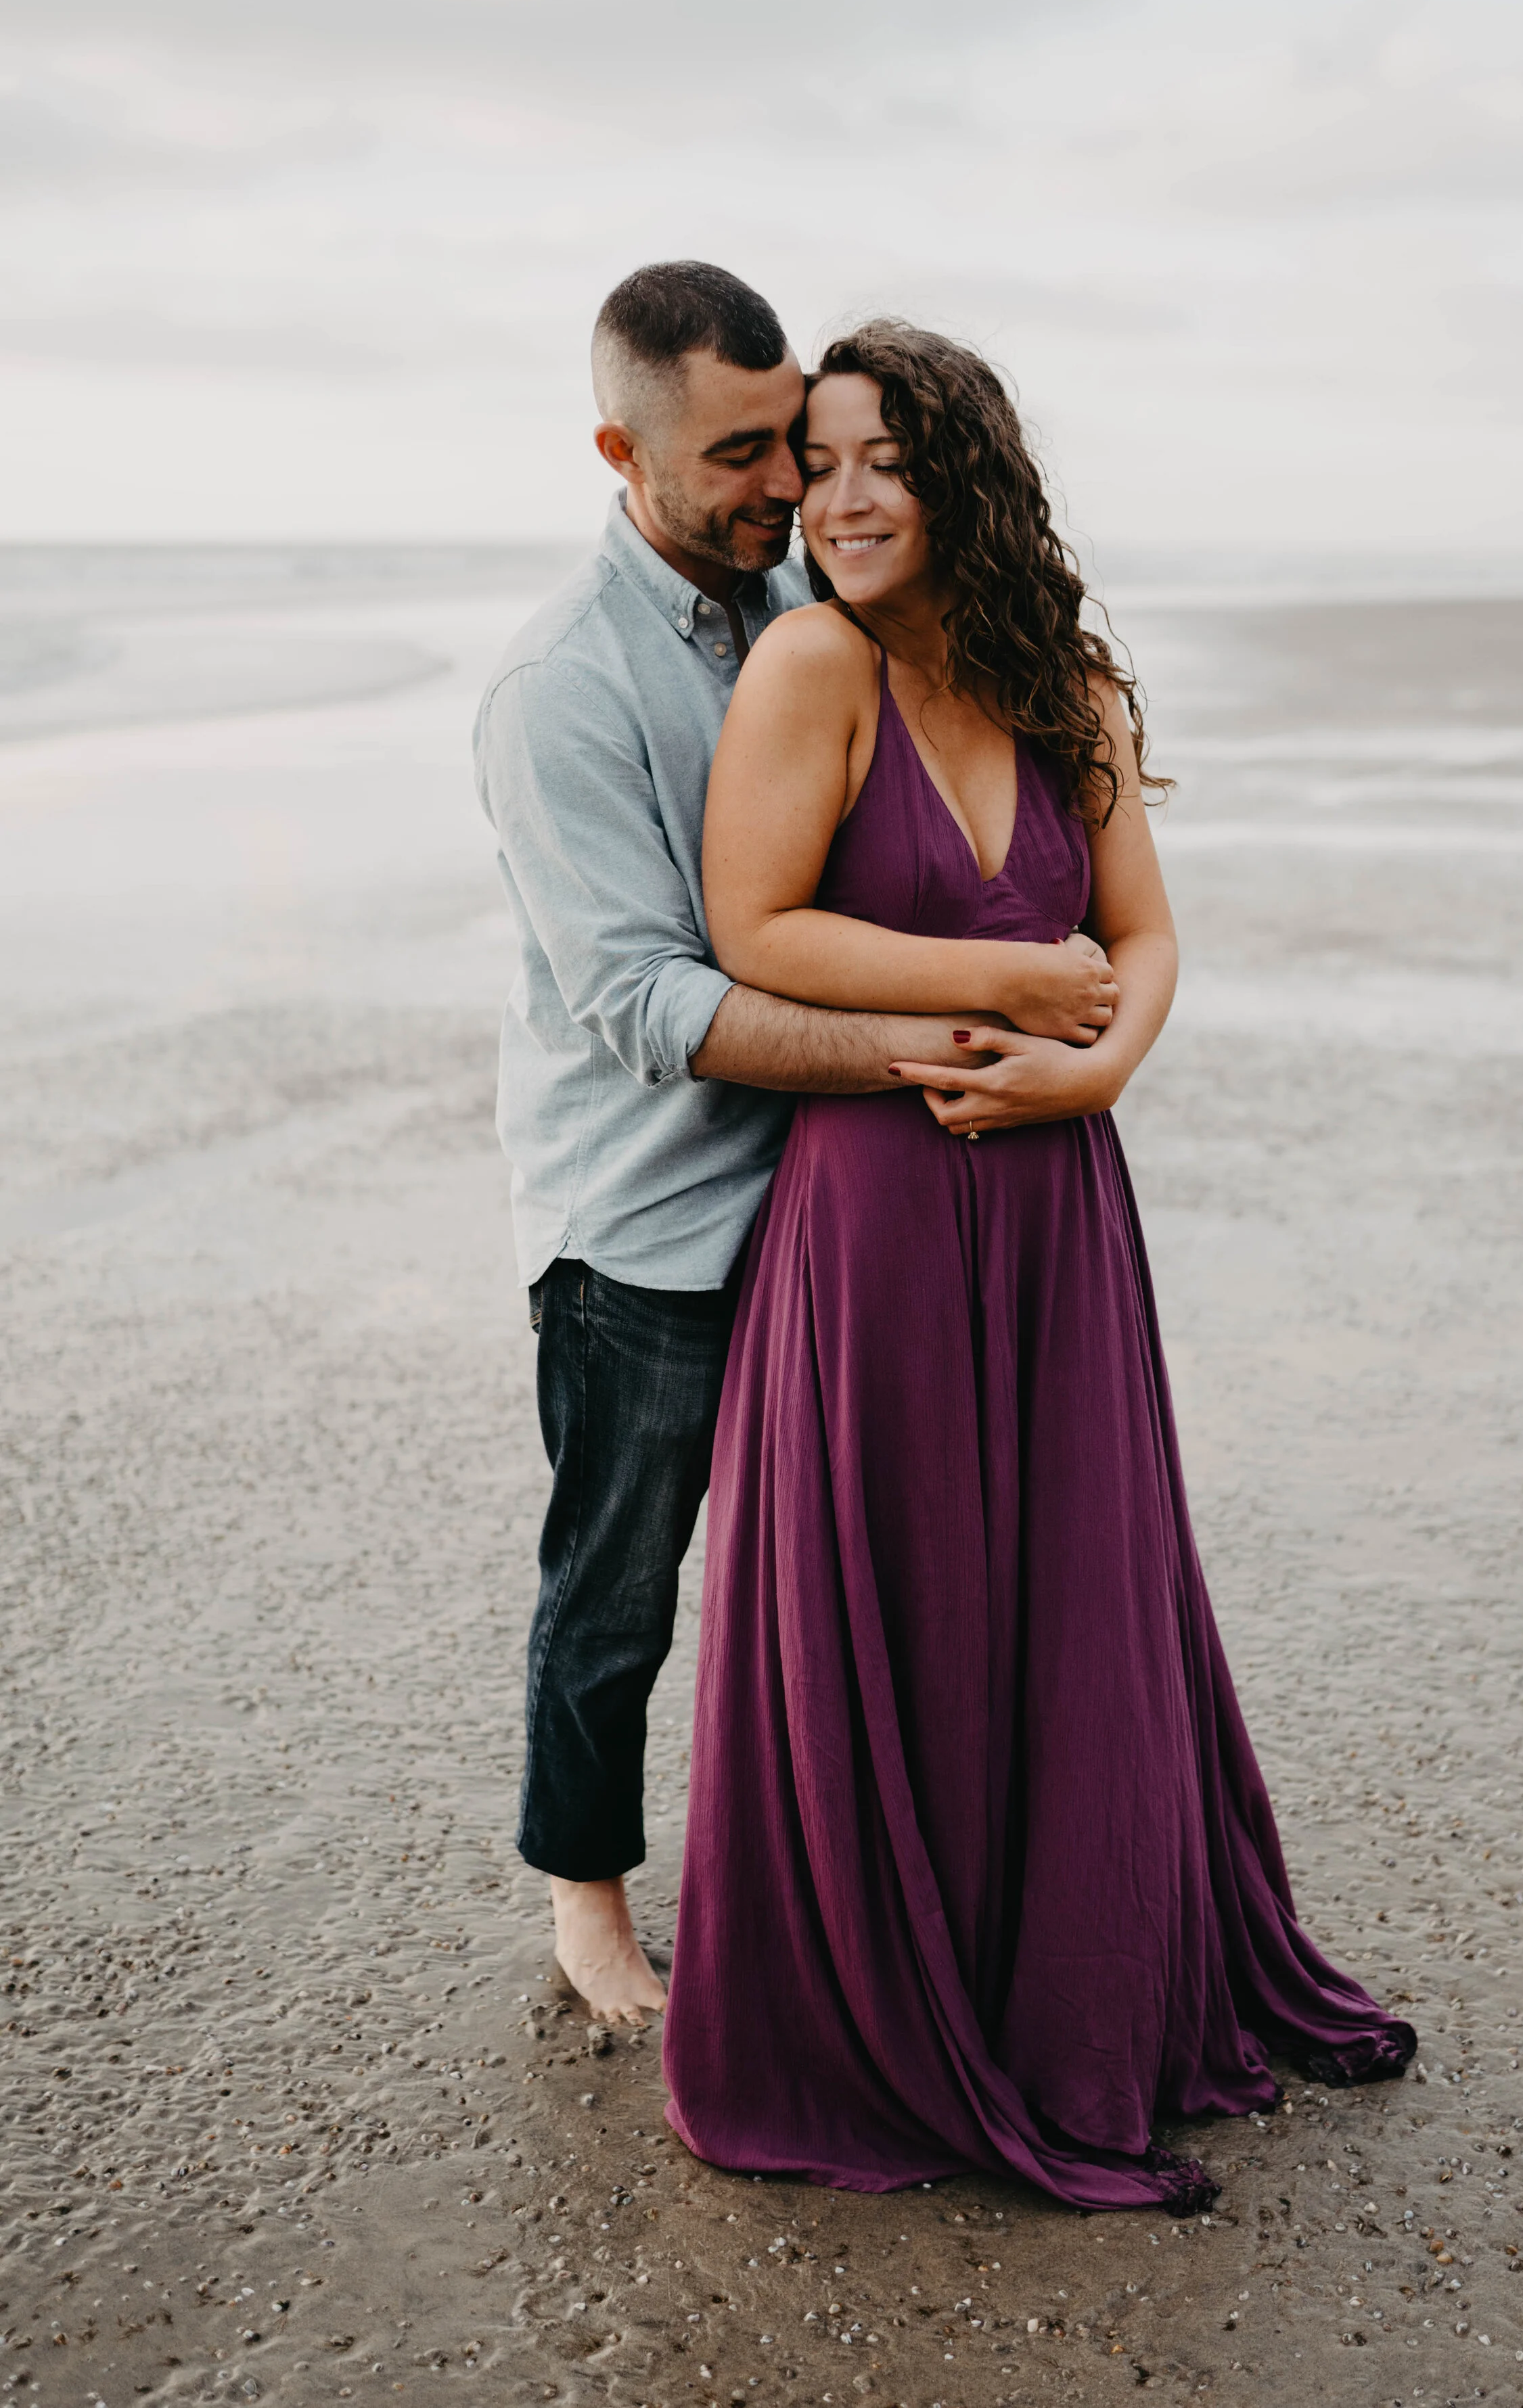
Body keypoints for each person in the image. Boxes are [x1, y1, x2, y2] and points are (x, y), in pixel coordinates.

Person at [662, 321, 1414, 2208]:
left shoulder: (1060, 675)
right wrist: (1002, 975)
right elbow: (750, 926)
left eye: (875, 461)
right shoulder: (809, 666)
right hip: (875, 1216)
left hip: (1058, 1196)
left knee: (1069, 1595)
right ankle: (896, 2023)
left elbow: (1144, 935)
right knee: (904, 1599)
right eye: (811, 463)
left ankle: (1073, 1998)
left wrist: (1099, 1054)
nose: (832, 500)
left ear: (959, 473)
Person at [473, 264, 1106, 2024]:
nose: (784, 486)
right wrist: (940, 1040)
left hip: (836, 1215)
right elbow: (648, 1006)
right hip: (649, 1224)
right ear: (623, 446)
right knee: (617, 1581)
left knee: (843, 1593)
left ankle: (861, 1890)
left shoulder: (805, 608)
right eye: (744, 452)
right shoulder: (559, 689)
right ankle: (586, 1902)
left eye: (797, 441)